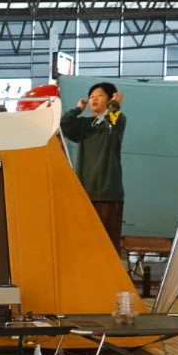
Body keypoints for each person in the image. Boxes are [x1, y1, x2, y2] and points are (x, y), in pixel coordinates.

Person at [60, 82, 128, 247]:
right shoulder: (86, 125)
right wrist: (78, 109)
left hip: (107, 193)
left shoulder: (116, 120)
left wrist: (114, 104)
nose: (94, 99)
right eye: (91, 97)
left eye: (100, 95)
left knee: (106, 242)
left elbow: (113, 119)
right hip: (85, 192)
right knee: (84, 241)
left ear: (111, 98)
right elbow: (64, 124)